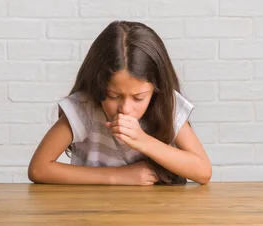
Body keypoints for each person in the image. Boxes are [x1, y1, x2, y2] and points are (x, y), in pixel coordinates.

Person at [27, 20, 211, 186]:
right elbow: (38, 169)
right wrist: (119, 176)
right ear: (98, 85)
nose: (126, 109)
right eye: (113, 96)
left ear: (156, 89)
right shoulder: (85, 107)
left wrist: (143, 140)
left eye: (138, 98)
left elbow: (203, 172)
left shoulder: (166, 105)